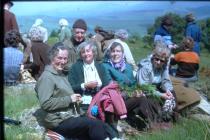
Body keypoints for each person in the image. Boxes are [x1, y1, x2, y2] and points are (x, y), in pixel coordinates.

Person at [34, 42, 117, 140]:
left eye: (65, 58)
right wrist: (69, 99)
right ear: (52, 58)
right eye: (59, 58)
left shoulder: (60, 74)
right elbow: (46, 103)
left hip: (66, 115)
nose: (63, 61)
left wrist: (75, 100)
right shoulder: (47, 78)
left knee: (99, 123)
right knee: (94, 124)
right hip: (57, 121)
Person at [102, 41, 163, 131]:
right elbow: (111, 86)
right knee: (140, 99)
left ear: (123, 53)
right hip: (115, 101)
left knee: (146, 97)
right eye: (113, 51)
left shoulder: (127, 67)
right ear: (109, 53)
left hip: (127, 98)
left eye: (118, 51)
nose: (115, 54)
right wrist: (131, 92)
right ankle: (154, 125)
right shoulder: (105, 66)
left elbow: (133, 83)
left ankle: (157, 121)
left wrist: (137, 90)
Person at [136, 41, 177, 121]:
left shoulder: (163, 66)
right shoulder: (146, 67)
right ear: (153, 57)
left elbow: (165, 80)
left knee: (172, 93)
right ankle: (156, 120)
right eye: (157, 59)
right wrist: (161, 95)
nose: (158, 62)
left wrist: (168, 90)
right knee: (153, 101)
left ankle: (173, 115)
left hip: (155, 89)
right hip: (144, 90)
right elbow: (144, 87)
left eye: (161, 61)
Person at [68, 40, 109, 111]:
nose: (86, 54)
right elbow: (70, 87)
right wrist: (84, 85)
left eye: (88, 51)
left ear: (93, 52)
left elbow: (106, 85)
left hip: (99, 100)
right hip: (82, 101)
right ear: (80, 55)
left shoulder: (100, 66)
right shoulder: (75, 67)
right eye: (83, 52)